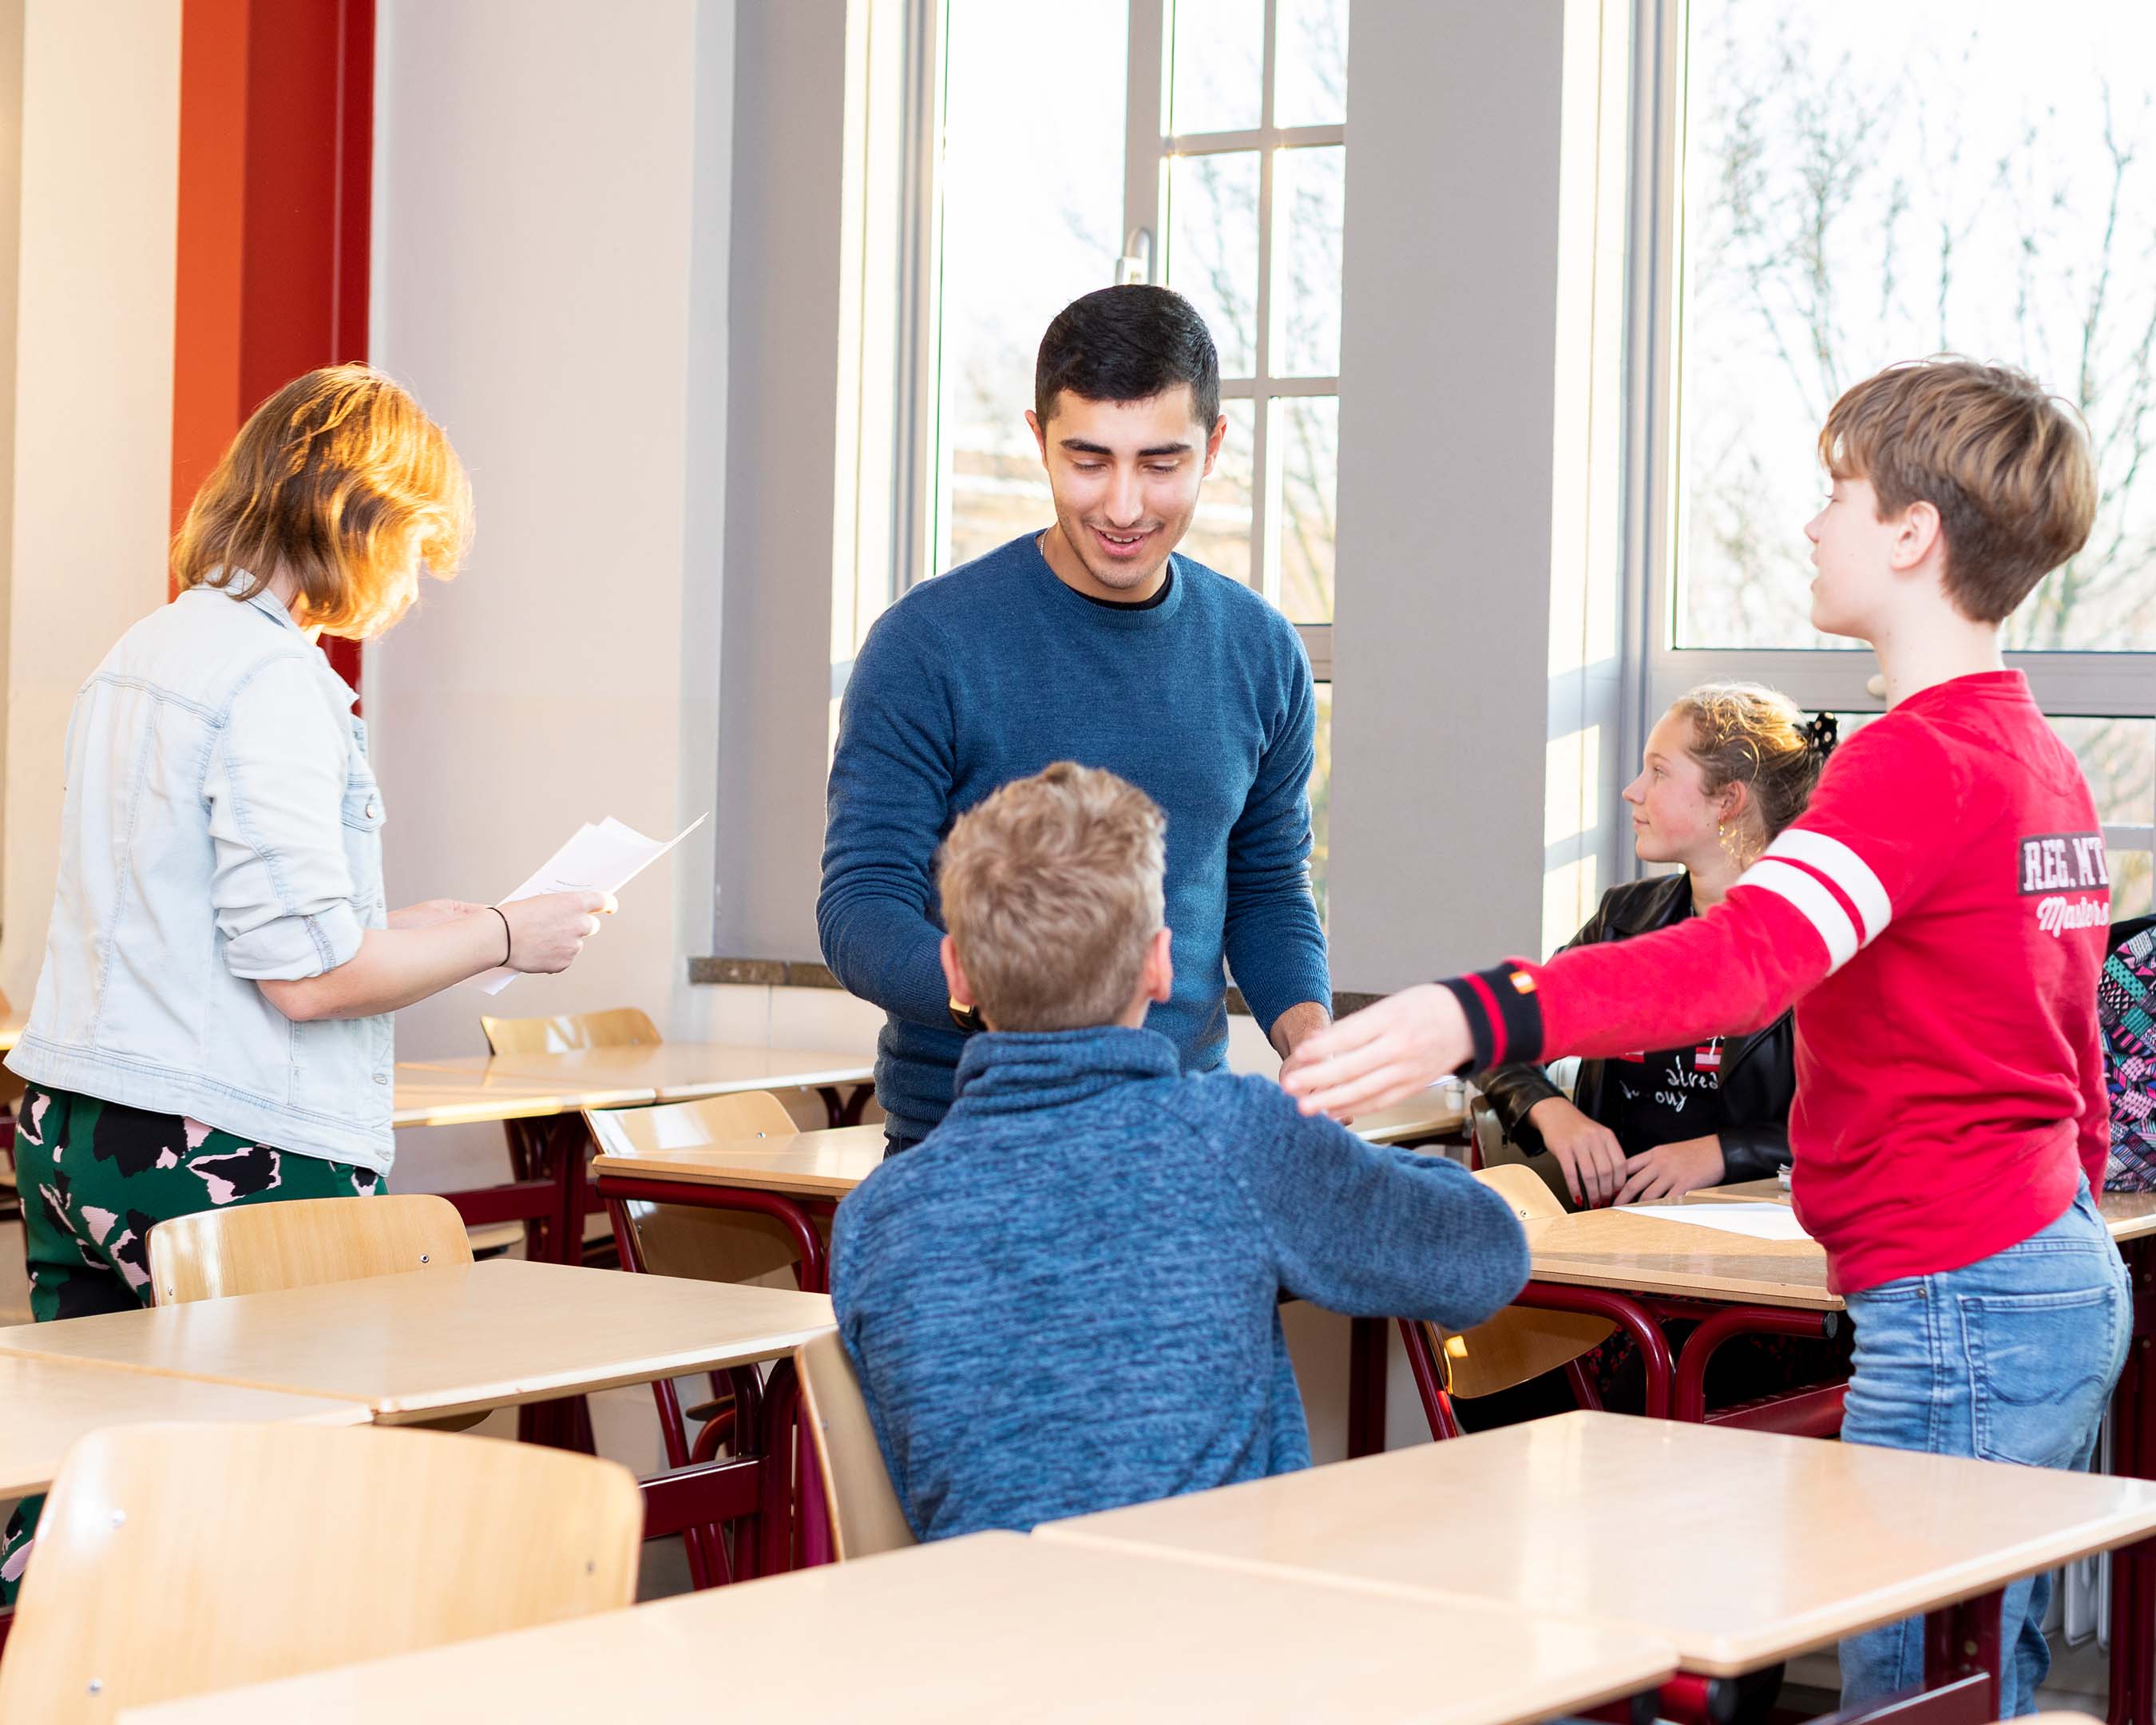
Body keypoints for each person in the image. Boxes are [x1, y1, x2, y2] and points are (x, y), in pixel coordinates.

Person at [1282, 357, 2128, 1717]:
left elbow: (1748, 962)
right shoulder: (2033, 752)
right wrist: (2056, 1206)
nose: (1814, 523)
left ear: (1913, 534)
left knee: (1916, 1692)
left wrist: (1481, 1009)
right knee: (1975, 1683)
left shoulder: (1913, 761)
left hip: (1966, 1293)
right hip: (2036, 1266)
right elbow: (2070, 1042)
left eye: (1839, 493)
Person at [0, 366, 610, 1596]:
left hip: (76, 1123)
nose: (412, 585)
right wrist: (502, 936)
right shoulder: (276, 678)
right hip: (223, 1138)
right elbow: (310, 980)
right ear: (359, 519)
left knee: (85, 1502)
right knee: (270, 1525)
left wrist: (422, 922)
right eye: (415, 547)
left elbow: (202, 917)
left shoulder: (147, 648)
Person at [831, 763, 1528, 1541]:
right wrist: (1318, 1152)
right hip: (1218, 1638)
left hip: (983, 1645)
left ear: (956, 971)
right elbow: (1489, 1259)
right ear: (1161, 963)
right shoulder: (1236, 1136)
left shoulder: (875, 1220)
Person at [818, 285, 1332, 1153]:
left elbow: (1268, 887)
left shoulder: (1260, 650)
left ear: (1213, 447)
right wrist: (1004, 984)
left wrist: (1311, 1038)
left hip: (1176, 1138)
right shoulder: (928, 644)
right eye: (1087, 460)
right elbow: (863, 903)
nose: (1124, 507)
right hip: (966, 1144)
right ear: (1038, 440)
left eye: (1161, 463)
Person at [1479, 683, 1836, 1209]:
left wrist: (1724, 1153)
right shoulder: (1623, 919)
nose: (1633, 790)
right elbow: (1501, 1031)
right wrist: (1554, 1114)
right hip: (1620, 1237)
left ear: (1728, 800)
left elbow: (1866, 1126)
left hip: (1764, 1255)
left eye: (1659, 772)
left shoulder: (1827, 936)